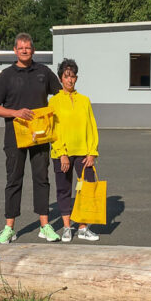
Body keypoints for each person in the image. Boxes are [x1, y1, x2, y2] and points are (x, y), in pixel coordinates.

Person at [0, 32, 62, 243]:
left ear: (33, 50)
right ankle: (9, 228)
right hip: (15, 136)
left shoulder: (43, 72)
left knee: (42, 179)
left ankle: (44, 225)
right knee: (13, 180)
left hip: (40, 135)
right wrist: (15, 113)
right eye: (20, 47)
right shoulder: (6, 76)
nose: (24, 50)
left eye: (28, 47)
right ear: (15, 50)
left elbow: (59, 98)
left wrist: (51, 114)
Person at [48, 59, 100, 242]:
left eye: (73, 76)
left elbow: (92, 127)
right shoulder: (53, 101)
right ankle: (67, 227)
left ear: (76, 78)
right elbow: (52, 130)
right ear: (61, 78)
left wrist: (92, 152)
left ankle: (83, 227)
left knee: (86, 188)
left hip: (83, 153)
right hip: (61, 153)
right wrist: (62, 152)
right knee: (64, 189)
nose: (70, 80)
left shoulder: (85, 101)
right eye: (66, 76)